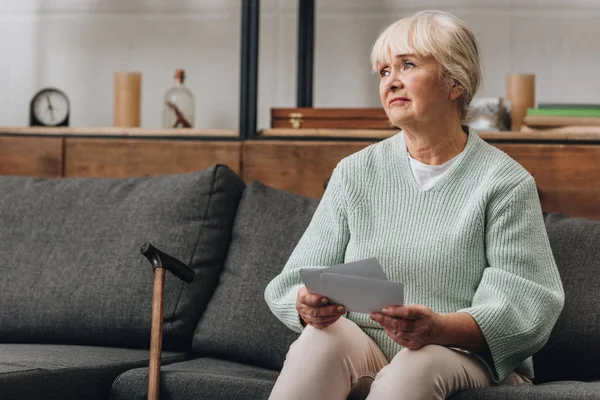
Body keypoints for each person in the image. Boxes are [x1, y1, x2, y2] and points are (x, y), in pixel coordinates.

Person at [264, 10, 564, 400]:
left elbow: (526, 306)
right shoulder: (355, 172)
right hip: (364, 344)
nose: (392, 82)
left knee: (415, 365)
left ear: (455, 81)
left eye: (407, 65)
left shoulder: (504, 183)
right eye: (384, 72)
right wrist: (307, 305)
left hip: (461, 353)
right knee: (318, 342)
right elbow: (293, 282)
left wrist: (438, 328)